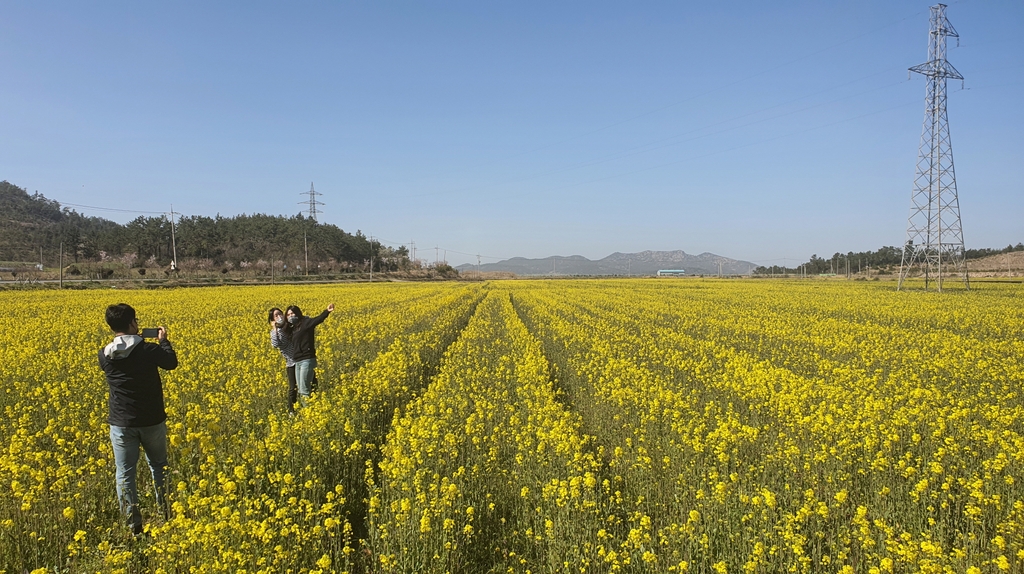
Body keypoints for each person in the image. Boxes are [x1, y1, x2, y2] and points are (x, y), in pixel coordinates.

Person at [97, 303, 178, 536]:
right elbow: (171, 363)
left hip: (121, 423)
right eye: (136, 321)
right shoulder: (148, 350)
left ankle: (134, 526)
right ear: (132, 323)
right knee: (159, 466)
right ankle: (166, 513)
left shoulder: (104, 355)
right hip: (151, 420)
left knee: (124, 473)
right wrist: (163, 340)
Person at [285, 303, 334, 404]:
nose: (291, 316)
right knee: (301, 390)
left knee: (304, 390)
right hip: (297, 361)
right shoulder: (292, 329)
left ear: (298, 314)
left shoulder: (305, 323)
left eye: (292, 314)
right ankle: (311, 409)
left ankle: (308, 413)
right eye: (288, 315)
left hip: (307, 360)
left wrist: (327, 311)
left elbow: (317, 320)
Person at [268, 307, 298, 412]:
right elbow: (275, 345)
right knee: (292, 388)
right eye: (276, 316)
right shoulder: (275, 332)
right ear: (273, 320)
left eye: (280, 314)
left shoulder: (289, 326)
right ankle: (291, 411)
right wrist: (275, 329)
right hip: (291, 362)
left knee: (311, 382)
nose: (279, 316)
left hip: (302, 359)